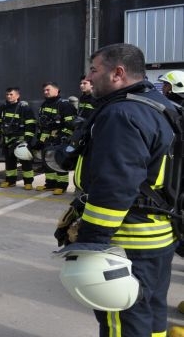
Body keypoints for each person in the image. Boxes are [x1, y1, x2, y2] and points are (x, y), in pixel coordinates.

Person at [70, 43, 177, 337]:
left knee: (122, 320)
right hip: (158, 235)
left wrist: (91, 241)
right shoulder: (160, 105)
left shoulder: (122, 114)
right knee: (151, 309)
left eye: (94, 69)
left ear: (117, 72)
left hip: (126, 239)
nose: (89, 78)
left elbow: (114, 186)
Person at [34, 82, 76, 195]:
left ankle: (62, 186)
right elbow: (43, 125)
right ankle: (50, 184)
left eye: (48, 90)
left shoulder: (65, 105)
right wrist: (40, 140)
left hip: (59, 139)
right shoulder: (44, 104)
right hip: (46, 139)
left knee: (58, 161)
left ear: (57, 90)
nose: (45, 92)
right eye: (44, 90)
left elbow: (70, 125)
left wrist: (61, 138)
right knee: (47, 162)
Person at [0, 87, 37, 189]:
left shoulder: (24, 108)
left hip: (20, 140)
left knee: (26, 162)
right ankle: (10, 181)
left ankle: (28, 182)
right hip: (7, 140)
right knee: (9, 162)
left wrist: (27, 140)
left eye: (11, 94)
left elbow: (30, 125)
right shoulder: (2, 108)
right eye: (7, 94)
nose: (9, 96)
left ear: (17, 95)